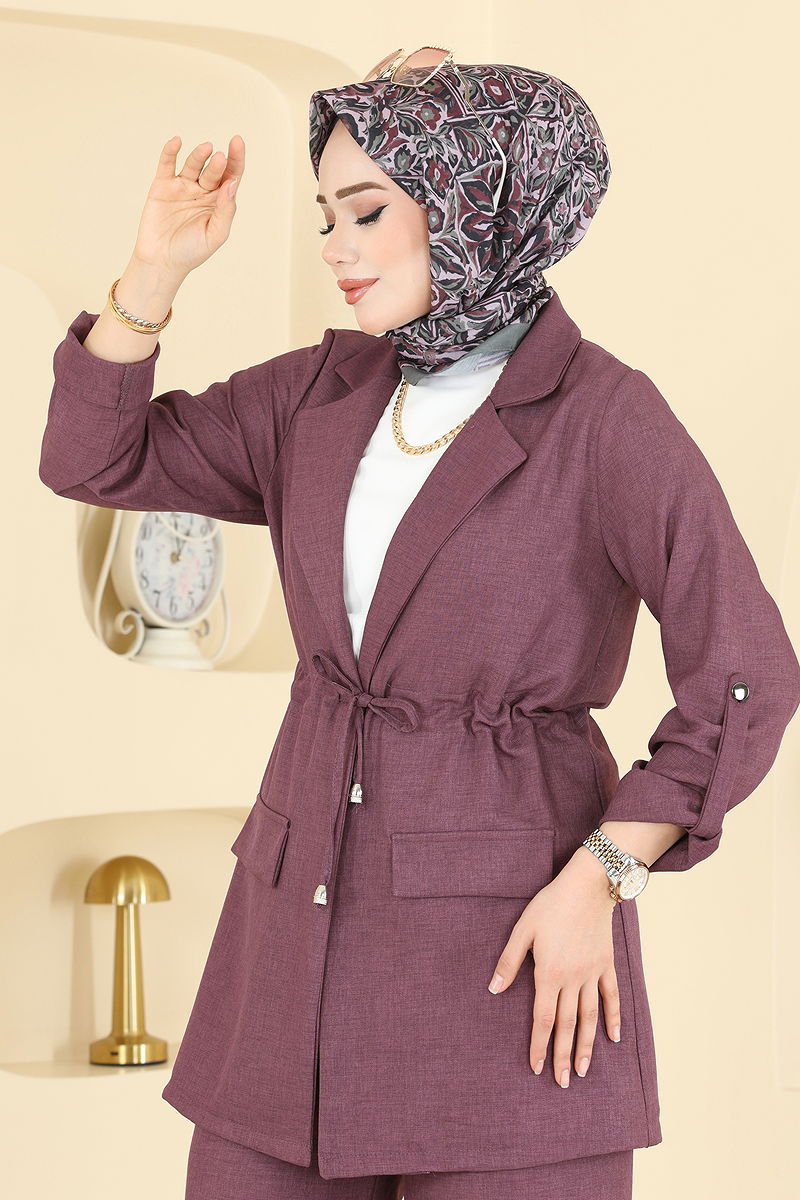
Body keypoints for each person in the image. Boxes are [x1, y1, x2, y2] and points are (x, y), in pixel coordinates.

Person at [38, 53, 800, 1200]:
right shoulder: (314, 395)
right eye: (323, 215)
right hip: (288, 960)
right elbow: (95, 458)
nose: (334, 247)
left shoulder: (604, 418)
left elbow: (744, 673)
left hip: (510, 968)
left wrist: (603, 876)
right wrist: (156, 270)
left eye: (367, 210)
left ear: (473, 203)